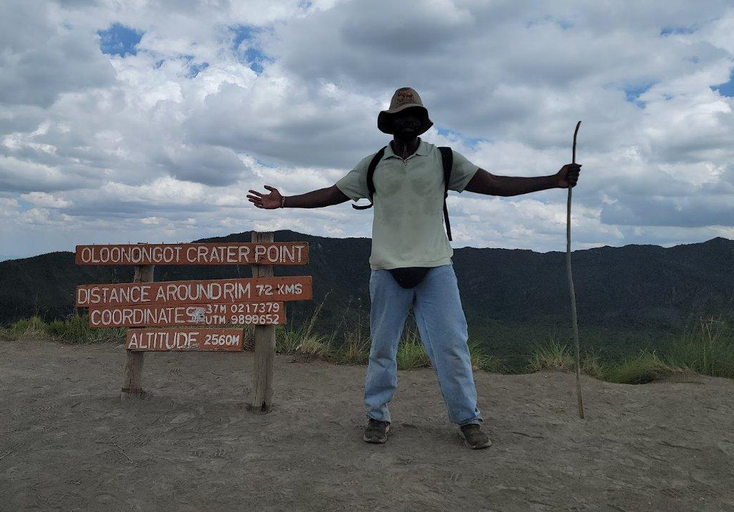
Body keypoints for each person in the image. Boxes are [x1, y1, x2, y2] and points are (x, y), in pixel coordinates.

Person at [247, 87, 581, 449]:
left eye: (414, 116)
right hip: (387, 267)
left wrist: (553, 180)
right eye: (400, 116)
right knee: (381, 348)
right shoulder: (373, 164)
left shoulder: (444, 159)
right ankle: (377, 416)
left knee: (452, 346)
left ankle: (468, 419)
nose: (407, 121)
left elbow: (496, 184)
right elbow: (334, 193)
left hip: (436, 266)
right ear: (389, 124)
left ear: (421, 124)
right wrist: (285, 202)